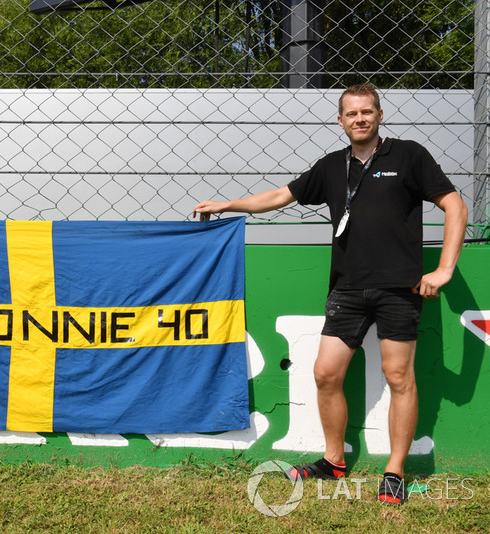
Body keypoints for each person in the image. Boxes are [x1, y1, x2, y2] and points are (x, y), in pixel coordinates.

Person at [193, 83, 467, 505]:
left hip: (399, 288)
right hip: (347, 289)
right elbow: (280, 196)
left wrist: (444, 269)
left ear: (379, 116)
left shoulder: (409, 154)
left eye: (367, 112)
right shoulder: (330, 166)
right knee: (325, 374)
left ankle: (394, 472)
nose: (360, 119)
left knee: (399, 378)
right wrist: (227, 204)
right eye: (351, 113)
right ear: (340, 121)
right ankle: (334, 460)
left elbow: (455, 204)